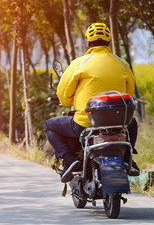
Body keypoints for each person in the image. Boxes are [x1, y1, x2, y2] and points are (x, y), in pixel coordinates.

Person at [45, 22, 140, 183]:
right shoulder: (123, 64)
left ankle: (70, 160)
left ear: (88, 42)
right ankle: (127, 158)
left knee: (49, 125)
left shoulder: (79, 63)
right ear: (109, 41)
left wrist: (69, 101)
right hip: (120, 123)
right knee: (133, 124)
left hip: (85, 123)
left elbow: (63, 95)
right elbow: (129, 94)